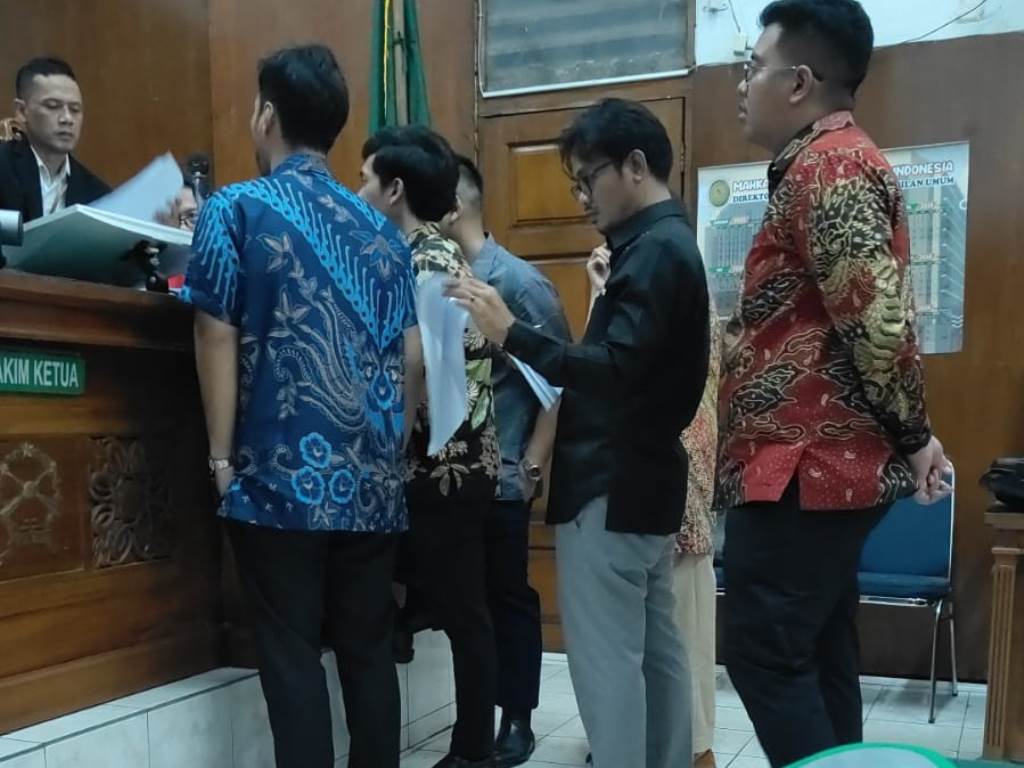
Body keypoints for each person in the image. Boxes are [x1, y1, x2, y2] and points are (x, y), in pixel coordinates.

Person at [717, 2, 952, 766]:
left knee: (764, 652)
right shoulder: (822, 164)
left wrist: (915, 436)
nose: (742, 84)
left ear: (799, 82)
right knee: (816, 651)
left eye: (752, 66)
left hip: (804, 470)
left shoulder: (831, 165)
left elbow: (879, 327)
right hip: (810, 468)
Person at [446, 98, 710, 768]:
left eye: (589, 178)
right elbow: (629, 365)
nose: (584, 197)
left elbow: (611, 373)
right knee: (656, 655)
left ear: (635, 166)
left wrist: (511, 333)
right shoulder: (664, 244)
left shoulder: (654, 252)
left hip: (610, 485)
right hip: (645, 484)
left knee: (608, 665)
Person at [185, 44, 421, 768]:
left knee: (291, 658)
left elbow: (214, 330)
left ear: (267, 116)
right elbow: (412, 356)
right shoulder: (384, 232)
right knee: (368, 651)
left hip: (278, 478)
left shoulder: (233, 209)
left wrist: (220, 458)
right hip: (372, 482)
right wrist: (390, 455)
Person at [358, 126, 499, 768]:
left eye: (365, 179)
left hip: (440, 461)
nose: (358, 191)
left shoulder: (417, 256)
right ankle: (473, 744)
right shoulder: (447, 252)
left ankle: (471, 750)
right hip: (469, 454)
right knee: (466, 607)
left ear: (395, 190)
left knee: (465, 611)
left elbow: (415, 359)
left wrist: (391, 442)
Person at [440, 155, 571, 768]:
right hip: (445, 476)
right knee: (462, 602)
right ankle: (471, 725)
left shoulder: (516, 283)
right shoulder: (432, 276)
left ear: (453, 206)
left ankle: (517, 717)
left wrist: (534, 463)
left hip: (502, 472)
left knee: (508, 598)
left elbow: (559, 377)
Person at [585, 246, 722, 768]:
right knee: (658, 639)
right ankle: (662, 747)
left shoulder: (668, 287)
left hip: (671, 484)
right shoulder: (667, 284)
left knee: (679, 639)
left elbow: (615, 378)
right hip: (655, 488)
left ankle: (691, 750)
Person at [0, 57, 109, 222]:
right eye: (52, 106)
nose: (67, 118)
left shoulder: (97, 195)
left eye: (75, 109)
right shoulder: (4, 167)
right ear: (22, 111)